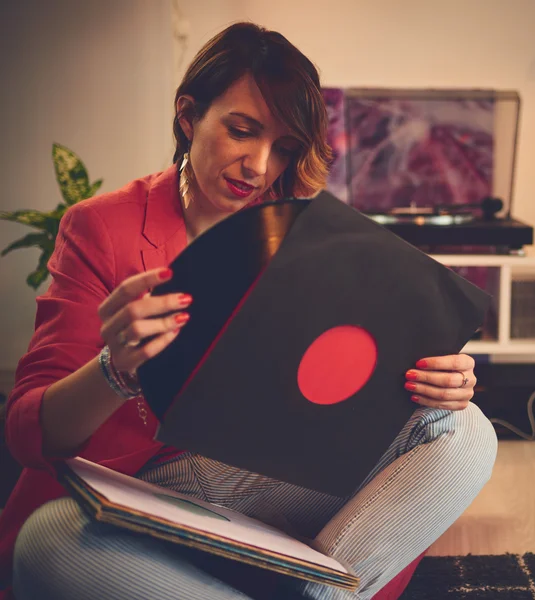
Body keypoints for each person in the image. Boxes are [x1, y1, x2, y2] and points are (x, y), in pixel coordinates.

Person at [0, 22, 497, 600]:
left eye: (284, 147)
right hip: (135, 485)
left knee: (465, 429)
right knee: (48, 540)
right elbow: (27, 434)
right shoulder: (100, 226)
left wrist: (435, 376)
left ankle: (322, 594)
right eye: (242, 131)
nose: (260, 166)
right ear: (189, 117)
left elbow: (337, 384)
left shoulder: (299, 233)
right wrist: (117, 369)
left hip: (245, 476)